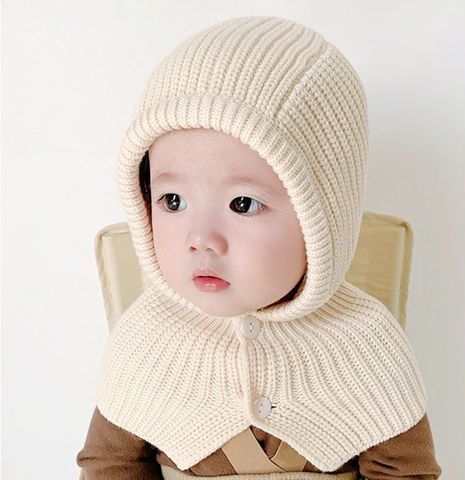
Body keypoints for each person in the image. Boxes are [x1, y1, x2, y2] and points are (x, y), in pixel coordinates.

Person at [76, 15, 442, 480]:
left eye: (242, 203)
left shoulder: (366, 343)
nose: (201, 239)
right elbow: (110, 464)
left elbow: (406, 473)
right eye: (173, 201)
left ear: (323, 218)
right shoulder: (145, 341)